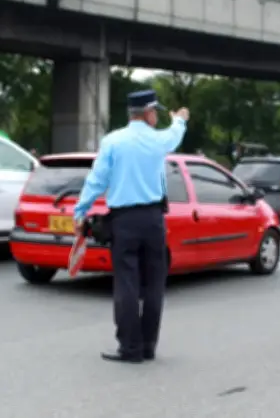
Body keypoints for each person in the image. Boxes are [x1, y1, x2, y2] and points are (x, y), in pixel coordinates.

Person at [73, 89, 188, 364]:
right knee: (154, 284)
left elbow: (97, 180)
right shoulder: (159, 140)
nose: (156, 116)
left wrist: (80, 211)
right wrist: (180, 119)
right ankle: (148, 345)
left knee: (127, 283)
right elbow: (175, 134)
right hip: (154, 220)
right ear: (147, 113)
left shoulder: (113, 141)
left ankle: (130, 347)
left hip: (124, 220)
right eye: (155, 112)